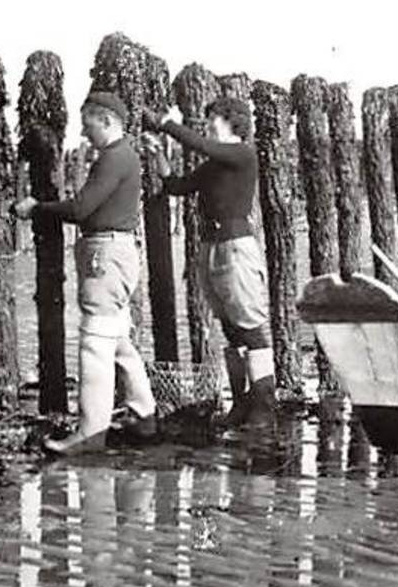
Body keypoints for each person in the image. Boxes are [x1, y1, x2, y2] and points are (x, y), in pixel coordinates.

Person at [15, 90, 158, 455]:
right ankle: (144, 414)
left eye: (88, 124)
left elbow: (81, 208)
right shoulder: (124, 155)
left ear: (107, 120)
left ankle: (90, 434)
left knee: (96, 340)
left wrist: (37, 208)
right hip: (118, 250)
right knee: (118, 339)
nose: (84, 133)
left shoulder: (113, 158)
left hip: (105, 253)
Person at [147, 96, 276, 426]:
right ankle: (241, 405)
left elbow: (201, 144)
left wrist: (167, 124)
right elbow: (177, 187)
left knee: (250, 327)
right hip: (212, 246)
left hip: (235, 246)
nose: (207, 125)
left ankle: (263, 407)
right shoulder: (216, 162)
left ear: (231, 121)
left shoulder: (242, 153)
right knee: (232, 328)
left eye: (212, 119)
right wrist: (158, 154)